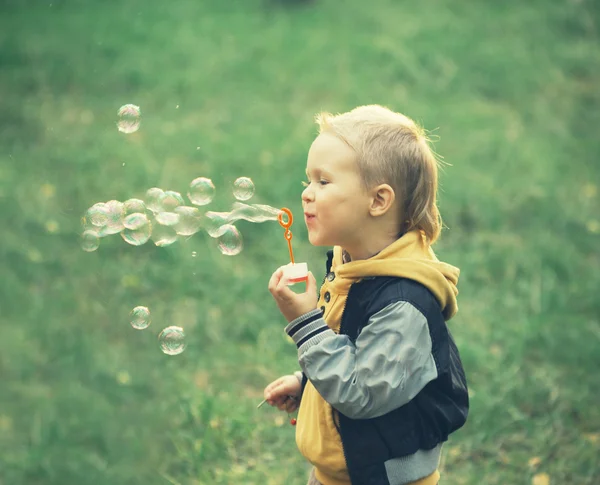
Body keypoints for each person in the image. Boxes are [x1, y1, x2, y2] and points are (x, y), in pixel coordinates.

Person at [264, 105, 469, 485]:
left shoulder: (404, 303)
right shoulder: (351, 266)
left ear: (378, 201)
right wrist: (309, 384)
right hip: (336, 474)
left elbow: (362, 393)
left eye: (323, 182)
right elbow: (356, 354)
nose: (306, 194)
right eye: (308, 180)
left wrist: (306, 323)